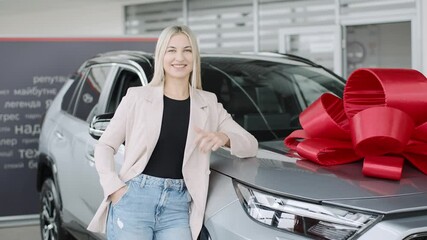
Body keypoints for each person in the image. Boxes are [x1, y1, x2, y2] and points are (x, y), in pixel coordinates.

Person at [87, 25, 258, 240]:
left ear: (194, 56)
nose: (180, 57)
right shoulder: (137, 97)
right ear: (161, 55)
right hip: (134, 198)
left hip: (178, 207)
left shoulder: (209, 103)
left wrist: (225, 137)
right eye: (171, 50)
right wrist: (113, 188)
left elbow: (251, 144)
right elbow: (105, 146)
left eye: (187, 50)